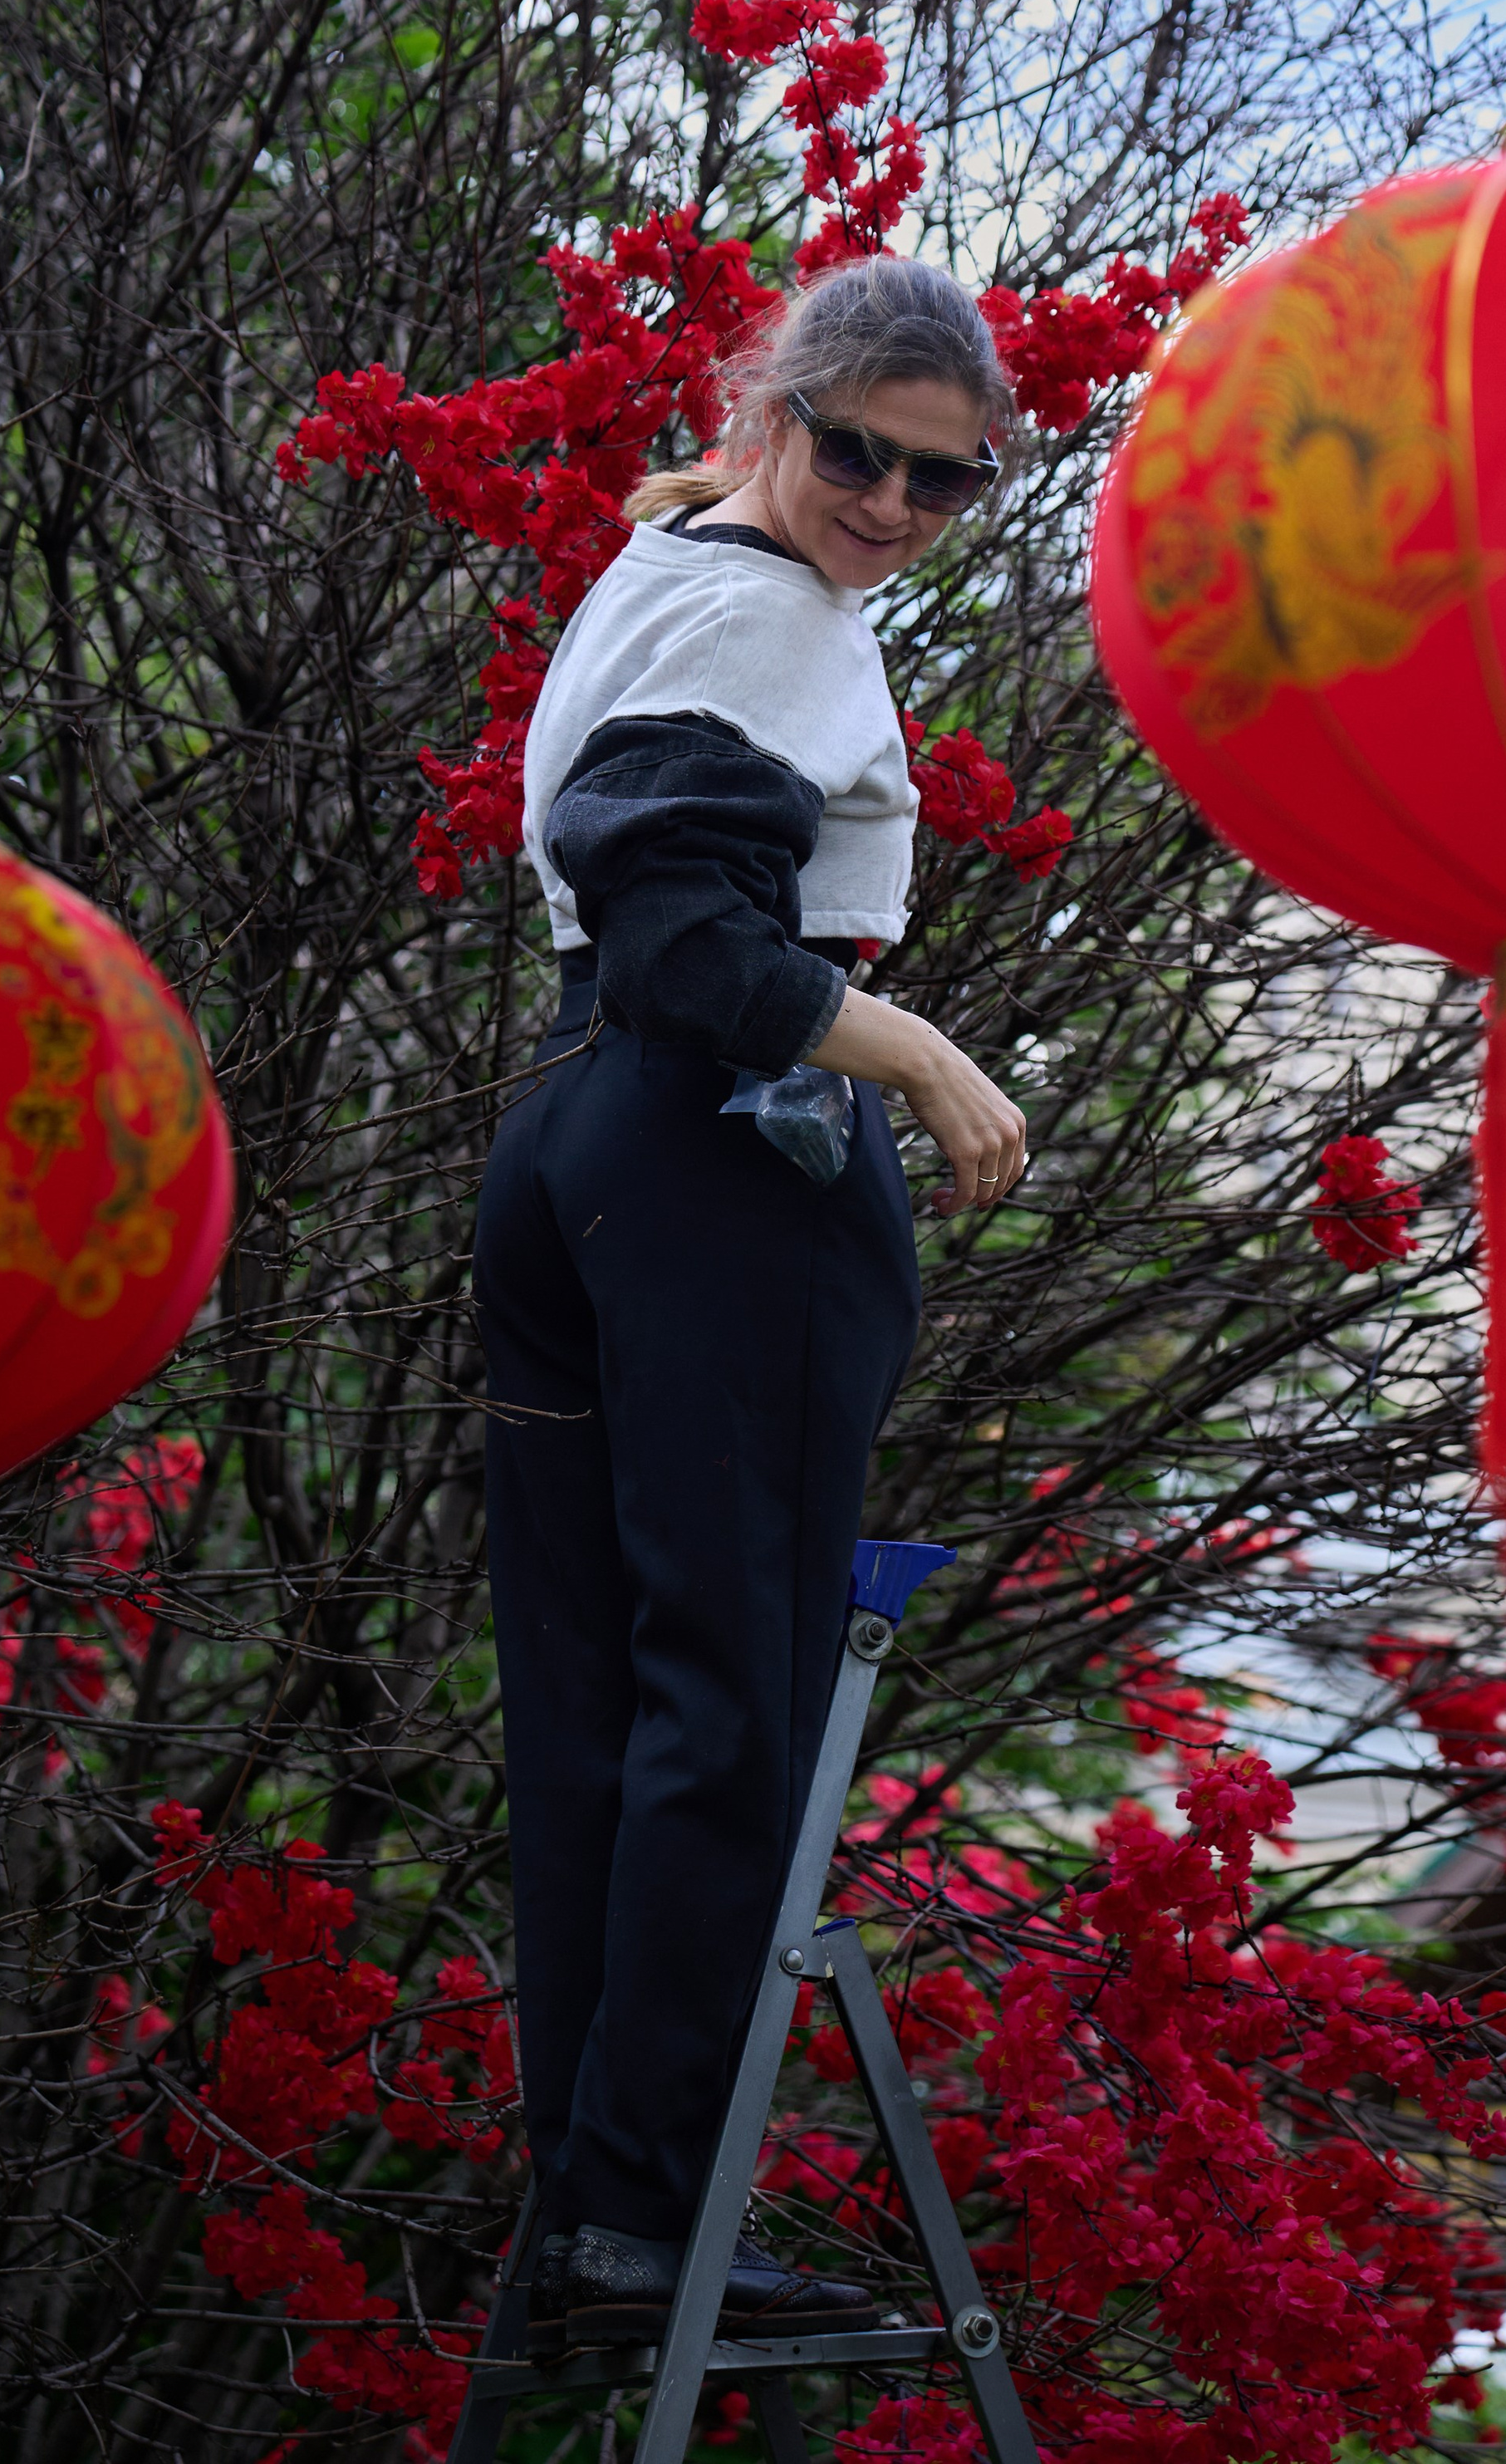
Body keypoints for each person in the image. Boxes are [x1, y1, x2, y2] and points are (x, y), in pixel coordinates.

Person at [472, 257, 1028, 2363]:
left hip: (581, 1142)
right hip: (719, 1145)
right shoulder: (761, 614)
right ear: (775, 415)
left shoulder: (670, 572)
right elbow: (680, 936)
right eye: (858, 453)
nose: (889, 504)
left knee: (602, 1702)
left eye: (941, 482)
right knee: (735, 1698)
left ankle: (599, 2211)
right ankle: (640, 2221)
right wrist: (915, 1053)